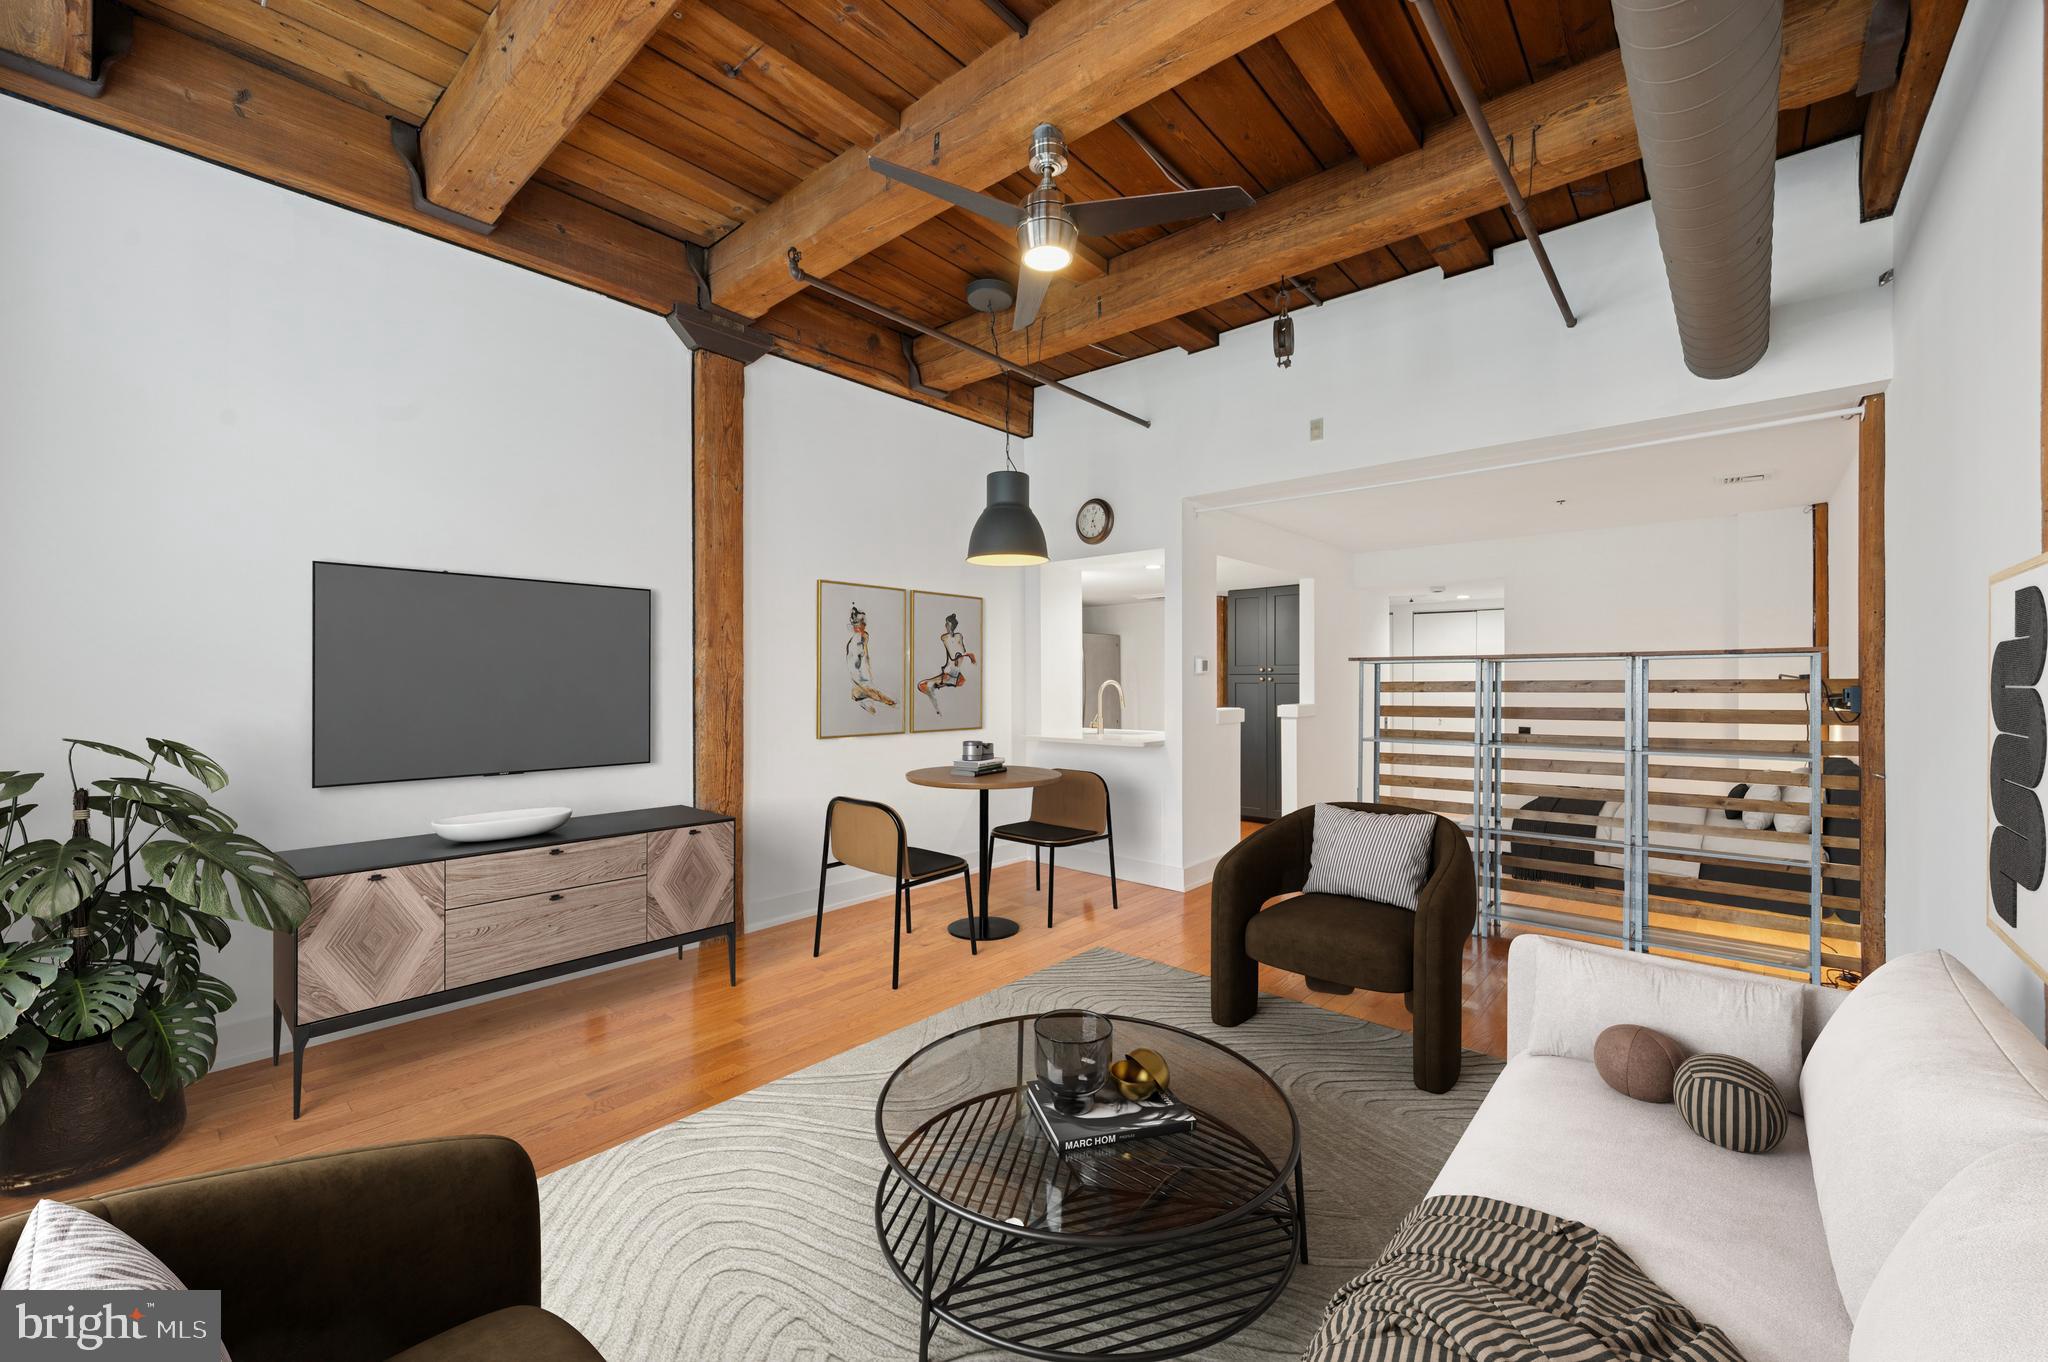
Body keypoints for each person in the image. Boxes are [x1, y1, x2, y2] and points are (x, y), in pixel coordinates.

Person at [917, 612, 977, 715]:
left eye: (947, 624)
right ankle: (937, 710)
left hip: (953, 673)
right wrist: (965, 655)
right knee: (923, 685)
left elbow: (960, 651)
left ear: (952, 625)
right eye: (946, 624)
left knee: (926, 685)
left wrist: (967, 656)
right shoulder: (945, 637)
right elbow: (955, 654)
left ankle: (937, 709)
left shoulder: (958, 636)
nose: (946, 626)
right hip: (949, 671)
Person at [846, 604, 897, 715]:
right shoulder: (858, 640)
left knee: (876, 704)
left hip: (862, 684)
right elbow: (858, 664)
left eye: (864, 623)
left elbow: (862, 662)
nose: (864, 625)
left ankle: (866, 698)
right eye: (862, 623)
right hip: (862, 684)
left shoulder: (861, 638)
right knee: (888, 703)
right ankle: (867, 696)